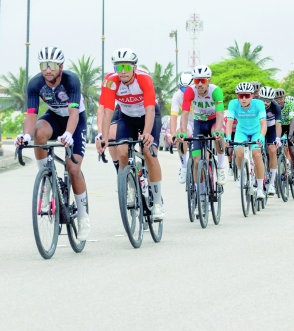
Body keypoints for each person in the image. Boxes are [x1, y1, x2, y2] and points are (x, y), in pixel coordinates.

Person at [14, 47, 90, 241]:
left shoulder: (71, 80)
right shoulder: (35, 84)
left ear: (61, 67)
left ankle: (83, 217)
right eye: (44, 65)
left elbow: (74, 113)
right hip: (54, 117)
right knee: (39, 132)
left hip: (75, 120)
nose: (48, 70)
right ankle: (46, 178)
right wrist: (26, 136)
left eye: (53, 66)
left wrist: (69, 134)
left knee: (73, 168)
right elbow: (32, 113)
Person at [95, 48, 165, 220]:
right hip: (127, 117)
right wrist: (103, 137)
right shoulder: (111, 81)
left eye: (126, 67)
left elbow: (150, 110)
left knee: (149, 153)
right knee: (122, 151)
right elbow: (108, 111)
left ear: (134, 67)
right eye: (118, 68)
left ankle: (157, 203)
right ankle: (131, 187)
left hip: (148, 115)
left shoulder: (144, 79)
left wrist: (147, 133)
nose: (123, 72)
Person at [178, 65, 228, 184]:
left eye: (203, 80)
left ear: (209, 80)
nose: (200, 84)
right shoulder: (190, 91)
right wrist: (183, 131)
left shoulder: (215, 91)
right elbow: (184, 114)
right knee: (196, 160)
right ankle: (198, 190)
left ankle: (221, 167)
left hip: (213, 121)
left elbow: (220, 114)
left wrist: (218, 130)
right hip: (199, 123)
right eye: (197, 81)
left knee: (218, 134)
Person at [224, 82, 267, 201]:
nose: (243, 98)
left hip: (256, 131)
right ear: (237, 96)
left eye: (247, 96)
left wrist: (261, 136)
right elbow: (229, 122)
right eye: (240, 95)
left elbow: (263, 123)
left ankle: (259, 188)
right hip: (241, 131)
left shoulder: (259, 104)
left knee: (257, 155)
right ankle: (241, 173)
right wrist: (228, 137)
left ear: (252, 95)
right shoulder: (233, 104)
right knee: (238, 152)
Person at [258, 86, 282, 197]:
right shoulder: (255, 104)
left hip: (272, 128)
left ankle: (271, 184)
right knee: (257, 151)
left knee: (272, 150)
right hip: (259, 128)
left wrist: (278, 138)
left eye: (268, 100)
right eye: (263, 99)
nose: (265, 102)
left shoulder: (275, 106)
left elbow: (278, 123)